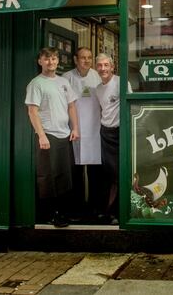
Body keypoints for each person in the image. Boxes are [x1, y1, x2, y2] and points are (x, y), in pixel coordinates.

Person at [25, 47, 80, 228]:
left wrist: (75, 128)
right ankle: (50, 214)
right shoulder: (36, 83)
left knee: (64, 175)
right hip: (48, 134)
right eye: (47, 59)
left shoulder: (63, 82)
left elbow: (71, 106)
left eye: (54, 58)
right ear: (40, 61)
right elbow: (32, 111)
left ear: (58, 61)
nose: (51, 62)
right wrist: (41, 135)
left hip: (64, 134)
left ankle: (63, 212)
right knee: (48, 176)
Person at [62, 47, 103, 219]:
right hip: (74, 129)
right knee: (76, 172)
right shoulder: (66, 78)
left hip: (95, 129)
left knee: (95, 172)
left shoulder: (97, 75)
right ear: (75, 59)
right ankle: (77, 208)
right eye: (82, 58)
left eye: (89, 57)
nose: (86, 61)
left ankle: (95, 208)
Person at [94, 53, 123, 224]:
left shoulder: (121, 82)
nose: (103, 68)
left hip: (120, 133)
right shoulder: (98, 89)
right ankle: (110, 211)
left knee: (119, 174)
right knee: (109, 174)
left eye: (106, 65)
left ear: (112, 67)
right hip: (106, 133)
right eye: (100, 65)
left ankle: (116, 212)